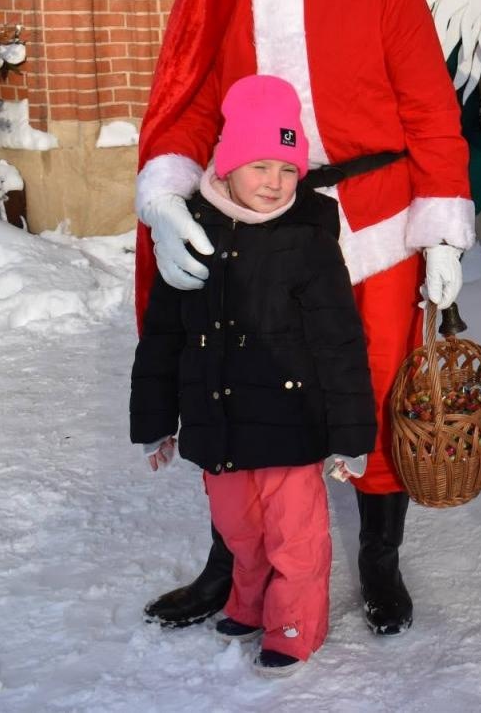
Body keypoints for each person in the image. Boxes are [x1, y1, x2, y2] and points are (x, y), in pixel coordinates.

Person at [134, 0, 474, 637]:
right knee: (234, 385)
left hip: (376, 216)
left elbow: (431, 112)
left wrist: (441, 232)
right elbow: (193, 109)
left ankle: (379, 560)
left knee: (382, 382)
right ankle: (235, 562)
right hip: (249, 216)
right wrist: (166, 194)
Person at [131, 75, 375, 678]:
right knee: (239, 529)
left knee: (295, 535)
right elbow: (163, 336)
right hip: (217, 420)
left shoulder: (308, 240)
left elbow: (341, 343)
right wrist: (157, 422)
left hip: (292, 424)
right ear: (228, 163)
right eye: (260, 165)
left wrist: (351, 434)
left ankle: (294, 624)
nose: (274, 182)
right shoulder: (190, 233)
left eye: (288, 168)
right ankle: (249, 598)